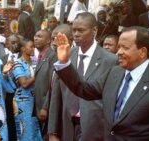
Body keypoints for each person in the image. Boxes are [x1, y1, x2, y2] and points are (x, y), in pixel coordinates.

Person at [54, 26, 149, 140]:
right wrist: (65, 62)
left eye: (125, 48)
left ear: (143, 52)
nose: (119, 52)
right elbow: (83, 89)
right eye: (119, 47)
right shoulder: (114, 73)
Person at [48, 12, 118, 141]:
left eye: (81, 30)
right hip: (67, 126)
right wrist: (53, 132)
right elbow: (56, 95)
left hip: (96, 129)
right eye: (74, 30)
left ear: (94, 31)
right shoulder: (65, 55)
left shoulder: (110, 60)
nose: (76, 34)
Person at [10, 38, 42, 140]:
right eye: (31, 47)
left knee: (35, 129)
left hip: (36, 100)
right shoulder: (17, 63)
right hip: (23, 102)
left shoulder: (35, 61)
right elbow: (24, 84)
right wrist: (38, 74)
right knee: (26, 130)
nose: (34, 48)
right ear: (23, 49)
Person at [33, 29, 56, 138]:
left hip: (46, 108)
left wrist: (45, 107)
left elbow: (53, 84)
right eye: (35, 36)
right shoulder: (40, 56)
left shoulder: (52, 56)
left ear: (48, 41)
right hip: (38, 106)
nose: (36, 38)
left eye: (40, 36)